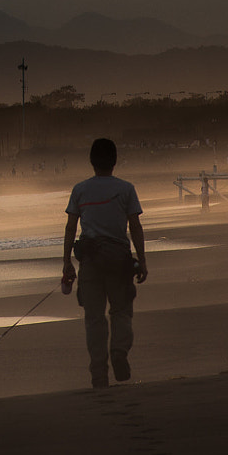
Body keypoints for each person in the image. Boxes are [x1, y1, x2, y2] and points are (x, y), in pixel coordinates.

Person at [61, 138, 148, 389]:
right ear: (115, 161)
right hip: (119, 260)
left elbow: (70, 227)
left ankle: (99, 372)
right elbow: (135, 226)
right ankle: (119, 351)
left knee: (94, 318)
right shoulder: (126, 189)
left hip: (90, 261)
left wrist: (67, 262)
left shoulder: (80, 190)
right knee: (121, 311)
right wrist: (141, 260)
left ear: (91, 162)